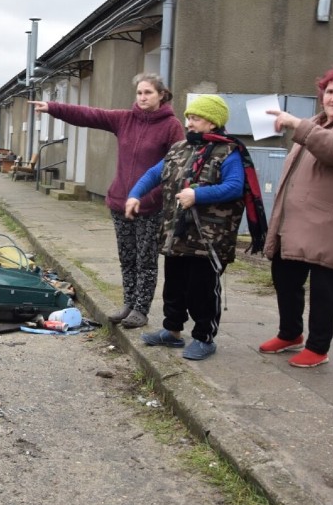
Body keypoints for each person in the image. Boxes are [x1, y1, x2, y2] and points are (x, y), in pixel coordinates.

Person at [29, 73, 183, 329]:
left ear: (161, 95)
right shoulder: (125, 119)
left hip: (150, 205)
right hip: (120, 202)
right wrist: (53, 108)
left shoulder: (171, 126)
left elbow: (176, 164)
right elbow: (90, 115)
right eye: (139, 93)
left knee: (145, 260)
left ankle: (141, 310)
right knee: (127, 257)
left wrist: (156, 195)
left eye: (148, 93)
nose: (142, 97)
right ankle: (128, 303)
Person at [126, 95, 267, 360]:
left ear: (213, 123)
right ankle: (172, 331)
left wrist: (197, 195)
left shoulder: (230, 151)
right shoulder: (180, 148)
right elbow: (153, 174)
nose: (189, 123)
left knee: (201, 290)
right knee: (174, 286)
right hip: (176, 233)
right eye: (189, 117)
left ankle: (204, 337)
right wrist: (135, 195)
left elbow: (235, 187)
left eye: (196, 118)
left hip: (209, 239)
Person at [260, 62, 333, 367]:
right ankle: (290, 333)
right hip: (298, 220)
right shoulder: (318, 121)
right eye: (329, 91)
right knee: (284, 275)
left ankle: (318, 348)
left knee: (324, 286)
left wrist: (298, 125)